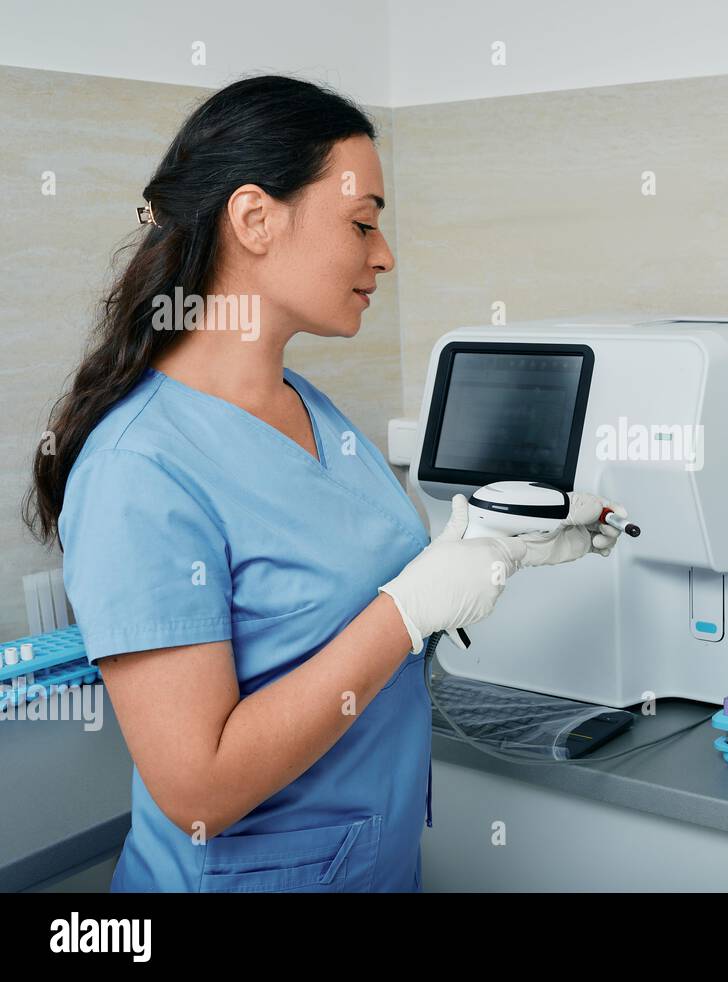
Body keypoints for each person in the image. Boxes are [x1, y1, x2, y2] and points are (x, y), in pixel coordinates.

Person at [24, 75, 625, 892]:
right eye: (362, 221)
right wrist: (408, 612)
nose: (384, 254)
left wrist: (487, 548)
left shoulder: (311, 409)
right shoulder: (141, 467)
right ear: (255, 218)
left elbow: (342, 606)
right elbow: (200, 789)